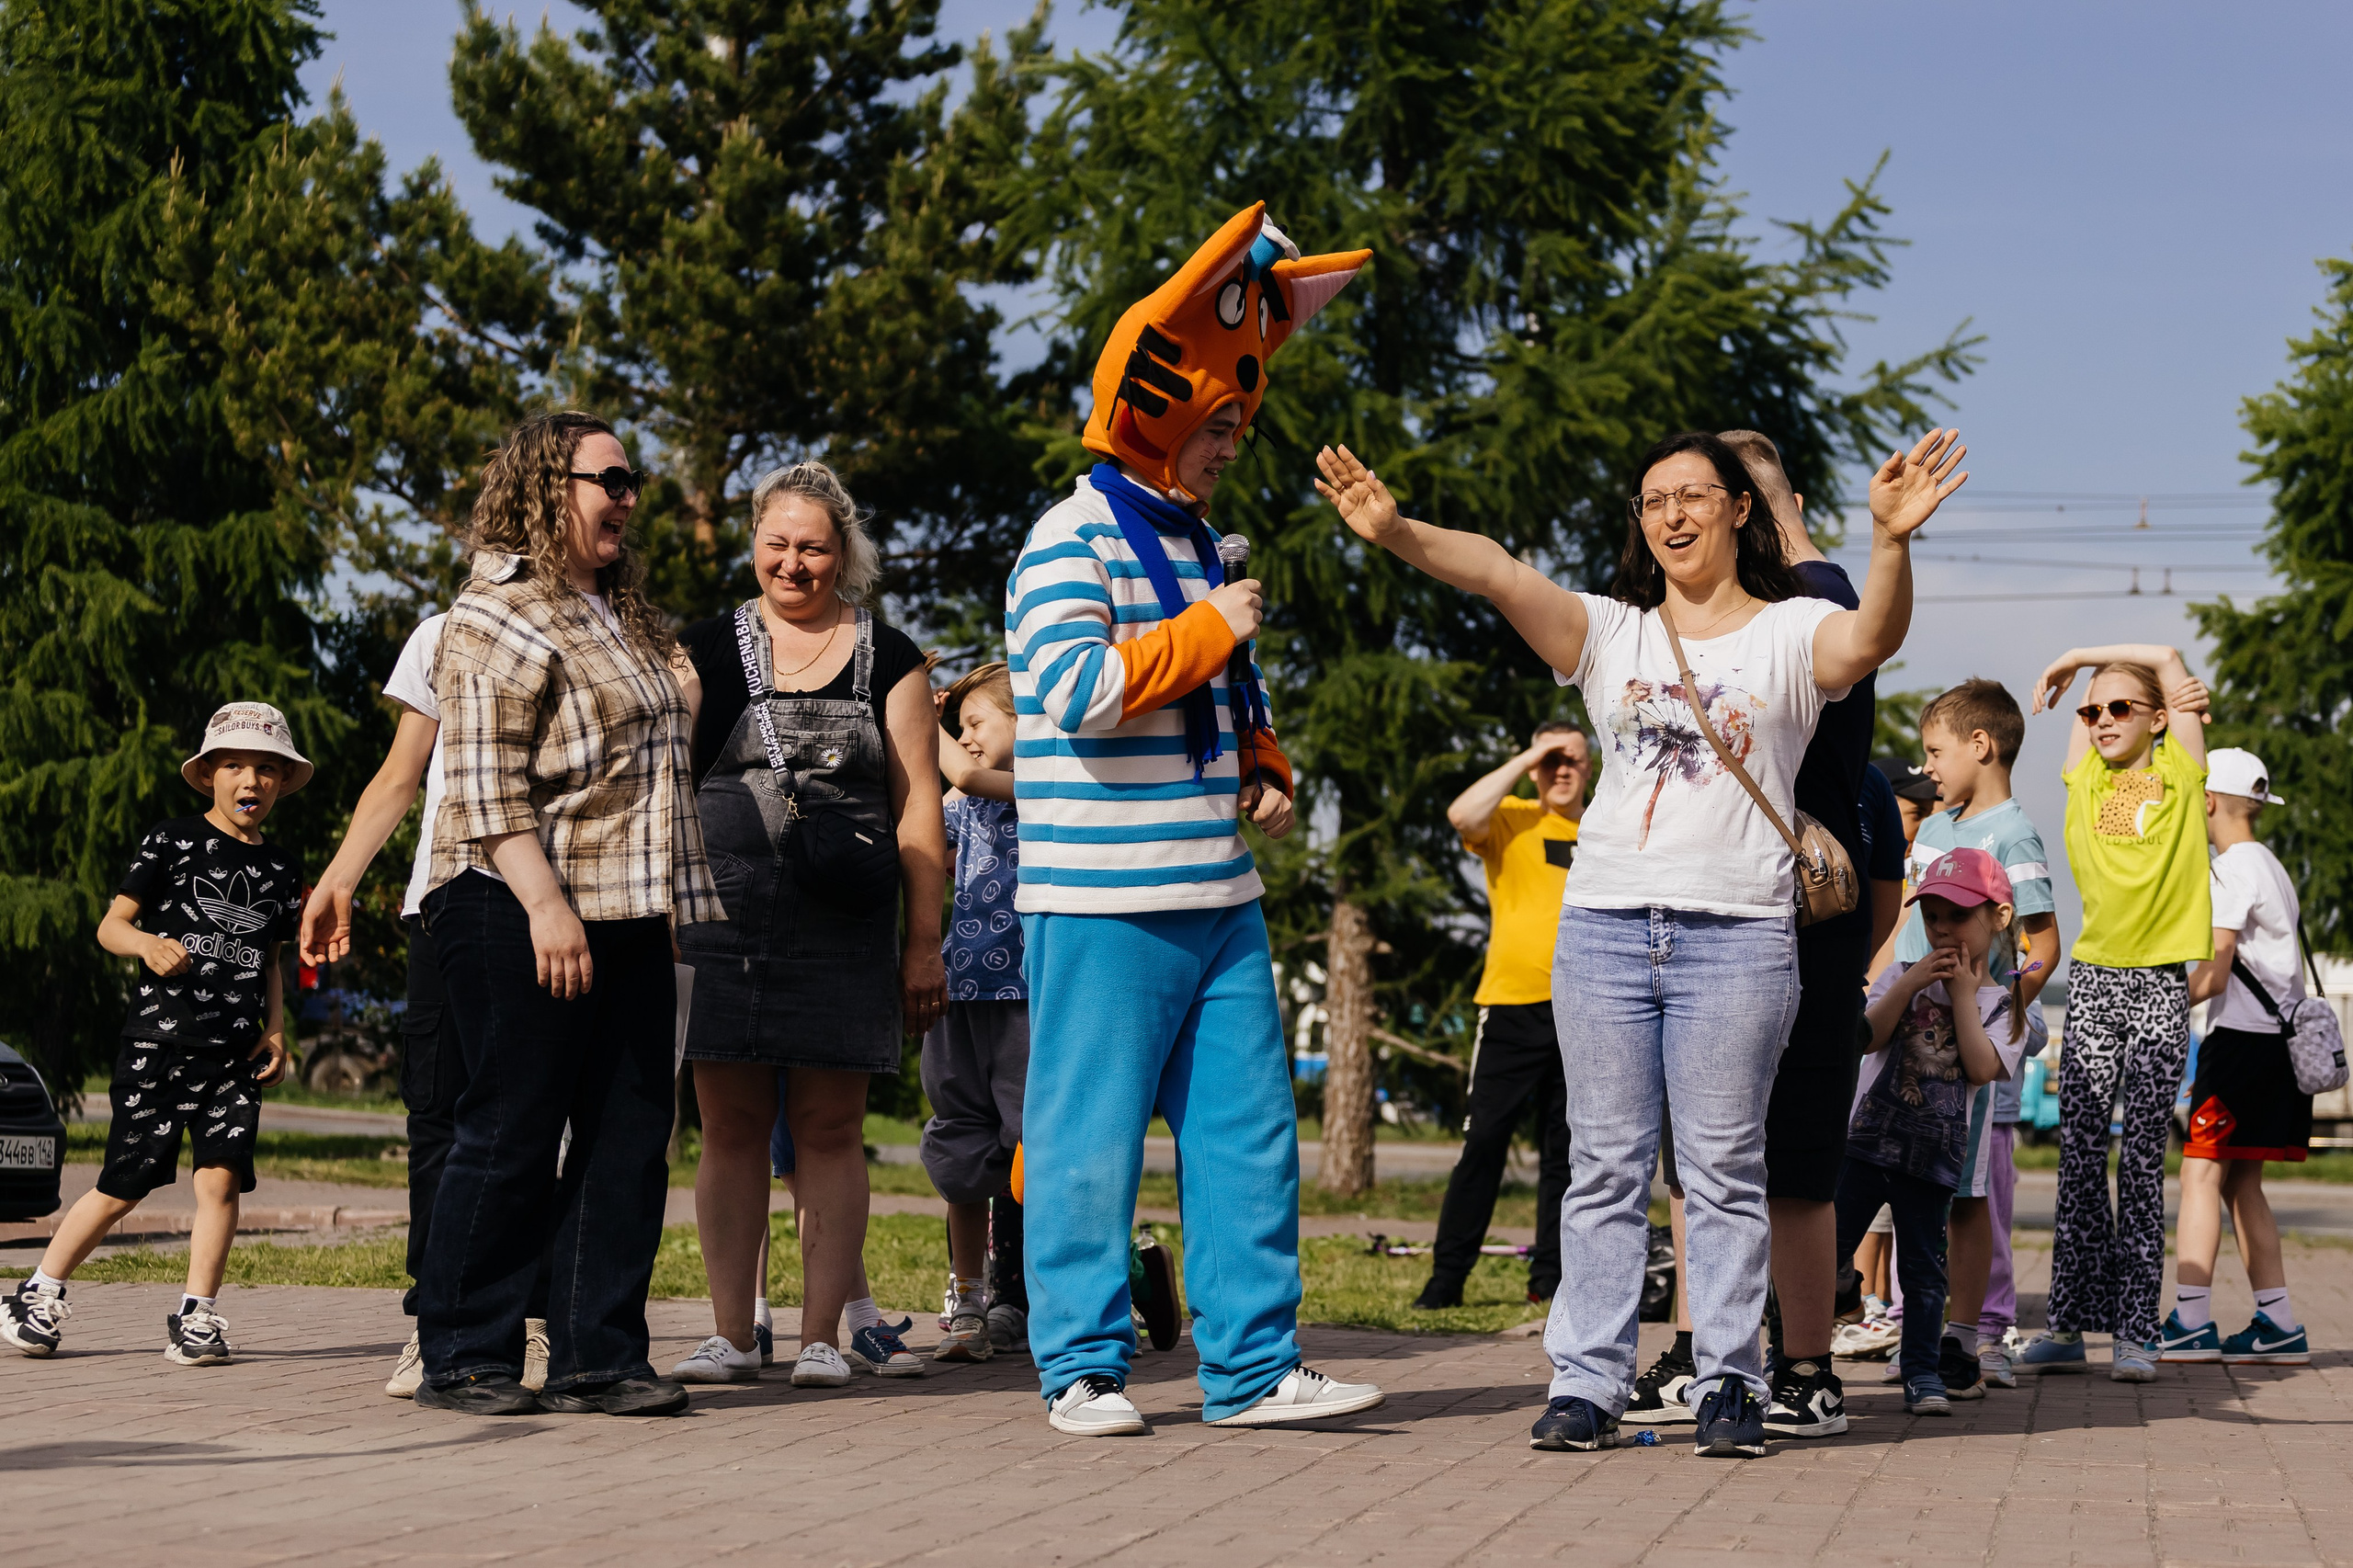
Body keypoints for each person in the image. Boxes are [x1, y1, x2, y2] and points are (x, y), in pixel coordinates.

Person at [1317, 425, 1966, 1459]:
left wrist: (1890, 542)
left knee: (1720, 1169)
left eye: (1693, 495)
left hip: (1738, 939)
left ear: (1737, 509)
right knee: (1606, 1169)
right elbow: (1492, 569)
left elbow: (1870, 640)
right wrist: (1394, 529)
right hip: (1607, 933)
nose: (1671, 514)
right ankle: (1585, 1382)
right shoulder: (1610, 633)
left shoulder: (1794, 631)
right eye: (1651, 499)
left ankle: (1729, 1386)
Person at [1010, 203, 1384, 1437]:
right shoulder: (1065, 541)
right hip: (1102, 899)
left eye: (1241, 422)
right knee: (1087, 1143)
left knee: (1247, 1140)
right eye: (1220, 422)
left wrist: (1264, 764)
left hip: (1217, 894)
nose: (1234, 441)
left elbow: (1225, 700)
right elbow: (1077, 690)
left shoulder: (1199, 546)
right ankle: (1079, 1368)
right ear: (1162, 408)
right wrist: (1216, 627)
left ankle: (1251, 1368)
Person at [415, 411, 719, 1417]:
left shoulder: (628, 613)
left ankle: (600, 1352)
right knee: (509, 1126)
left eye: (634, 480)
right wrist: (547, 907)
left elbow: (657, 777)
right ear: (548, 487)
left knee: (632, 1132)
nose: (628, 496)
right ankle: (466, 1351)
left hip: (630, 909)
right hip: (514, 901)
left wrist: (672, 903)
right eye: (609, 478)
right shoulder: (498, 613)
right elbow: (483, 782)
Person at [671, 460, 946, 1390]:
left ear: (846, 552)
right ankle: (733, 1334)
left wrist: (922, 944)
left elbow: (918, 813)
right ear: (755, 542)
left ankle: (825, 1335)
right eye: (777, 543)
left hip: (846, 926)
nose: (793, 563)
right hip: (721, 920)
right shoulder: (698, 646)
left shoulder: (895, 658)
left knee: (830, 1127)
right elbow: (664, 789)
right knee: (730, 1126)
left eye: (814, 546)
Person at [296, 609, 553, 1399]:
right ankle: (432, 1320)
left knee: (534, 1119)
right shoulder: (442, 632)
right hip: (442, 901)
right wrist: (339, 878)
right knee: (437, 1116)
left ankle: (531, 1324)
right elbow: (401, 772)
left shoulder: (597, 625)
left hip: (558, 904)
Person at [1, 704, 307, 1362]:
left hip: (234, 1053)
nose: (250, 779)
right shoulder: (172, 840)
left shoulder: (283, 869)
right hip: (160, 1045)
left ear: (282, 781)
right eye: (235, 766)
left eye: (266, 769)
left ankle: (198, 1316)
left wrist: (276, 1033)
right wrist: (146, 944)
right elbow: (111, 925)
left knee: (221, 1181)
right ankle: (37, 1291)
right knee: (125, 1183)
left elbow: (273, 959)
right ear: (208, 776)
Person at [1707, 429, 1881, 1442]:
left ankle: (1803, 1365)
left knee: (1790, 1155)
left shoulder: (1813, 606)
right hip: (1741, 901)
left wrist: (1782, 520)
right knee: (1723, 1154)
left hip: (1797, 911)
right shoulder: (1722, 612)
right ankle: (1718, 1356)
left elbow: (1830, 595)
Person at [2024, 643, 2211, 1381]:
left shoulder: (2181, 772)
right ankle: (2069, 1327)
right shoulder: (2084, 776)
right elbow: (2092, 717)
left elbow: (2165, 655)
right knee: (2078, 1157)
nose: (2101, 719)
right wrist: (2077, 682)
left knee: (2139, 1164)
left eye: (2119, 708)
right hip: (2096, 980)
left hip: (2161, 983)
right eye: (2090, 710)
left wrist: (2078, 655)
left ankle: (2137, 1333)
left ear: (2161, 719)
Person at [1836, 848, 2035, 1416]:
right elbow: (1869, 1036)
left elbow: (1978, 1067)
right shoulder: (1902, 975)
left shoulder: (2004, 1004)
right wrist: (1909, 984)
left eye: (1957, 917)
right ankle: (1794, 1357)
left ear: (1997, 919)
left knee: (1924, 1274)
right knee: (1827, 1250)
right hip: (1867, 1146)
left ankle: (1923, 1372)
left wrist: (1965, 998)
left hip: (1935, 1161)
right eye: (1932, 917)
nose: (1942, 930)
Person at [1903, 679, 2059, 1396]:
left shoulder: (2016, 834)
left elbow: (2044, 946)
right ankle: (1915, 1328)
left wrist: (1998, 1018)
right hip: (1908, 1042)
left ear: (1981, 745)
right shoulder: (1932, 830)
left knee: (1972, 1197)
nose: (1927, 765)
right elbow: (1902, 932)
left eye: (1936, 750)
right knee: (1908, 1183)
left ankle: (1976, 1336)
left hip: (1968, 1051)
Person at [1412, 722, 1589, 1312]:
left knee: (1566, 1154)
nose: (1561, 770)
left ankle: (1551, 1279)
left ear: (1590, 767)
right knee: (1483, 1143)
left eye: (1572, 759)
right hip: (1512, 1008)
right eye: (1551, 761)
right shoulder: (1512, 815)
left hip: (1586, 1009)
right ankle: (1447, 1279)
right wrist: (1533, 753)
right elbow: (1463, 814)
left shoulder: (1601, 828)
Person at [2160, 747, 2313, 1367]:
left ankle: (2191, 1320)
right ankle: (2277, 1321)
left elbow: (2214, 972)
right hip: (2278, 1049)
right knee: (2243, 1181)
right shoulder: (2272, 867)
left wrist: (2162, 999)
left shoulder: (2229, 872)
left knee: (2199, 1172)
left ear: (2208, 801)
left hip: (2240, 1047)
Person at [925, 661, 1031, 1362]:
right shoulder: (964, 808)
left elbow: (963, 774)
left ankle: (1048, 1295)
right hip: (961, 997)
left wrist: (922, 716)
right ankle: (970, 1296)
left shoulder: (1046, 788)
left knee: (1039, 1152)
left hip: (1028, 997)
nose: (964, 741)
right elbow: (928, 818)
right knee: (960, 1148)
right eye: (958, 729)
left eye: (976, 724)